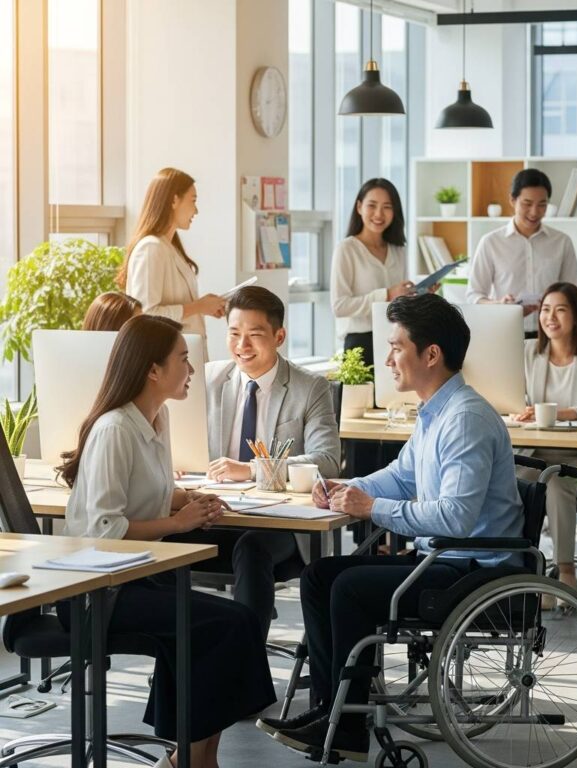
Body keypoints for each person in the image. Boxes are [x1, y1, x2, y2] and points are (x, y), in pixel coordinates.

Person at [258, 293, 525, 762]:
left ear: (431, 354)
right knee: (319, 577)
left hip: (474, 569)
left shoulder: (464, 419)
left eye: (396, 347)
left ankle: (348, 725)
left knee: (350, 588)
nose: (387, 360)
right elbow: (402, 477)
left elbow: (456, 518)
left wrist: (372, 508)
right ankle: (329, 710)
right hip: (443, 558)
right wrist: (347, 487)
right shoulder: (436, 412)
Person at [57, 314, 275, 768]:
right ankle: (190, 760)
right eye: (183, 359)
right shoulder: (115, 429)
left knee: (234, 621)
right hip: (98, 591)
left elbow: (148, 489)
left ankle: (193, 758)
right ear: (153, 370)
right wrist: (178, 523)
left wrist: (184, 498)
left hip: (138, 575)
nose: (192, 369)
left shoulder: (158, 418)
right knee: (223, 625)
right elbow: (103, 529)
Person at [192, 285, 341, 611]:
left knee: (251, 547)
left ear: (279, 336)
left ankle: (247, 643)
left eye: (254, 335)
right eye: (234, 334)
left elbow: (328, 460)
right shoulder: (208, 379)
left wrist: (251, 469)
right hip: (215, 514)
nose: (242, 346)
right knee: (160, 544)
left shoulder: (309, 387)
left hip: (280, 525)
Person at [512, 282, 577, 595]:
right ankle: (517, 568)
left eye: (560, 310)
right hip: (533, 454)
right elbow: (512, 397)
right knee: (508, 483)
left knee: (554, 483)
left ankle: (565, 572)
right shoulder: (527, 351)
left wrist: (547, 413)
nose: (550, 317)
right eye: (545, 309)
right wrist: (519, 411)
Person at [119, 167, 227, 356]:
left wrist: (204, 305)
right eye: (193, 200)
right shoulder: (151, 248)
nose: (196, 210)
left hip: (182, 355)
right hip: (166, 357)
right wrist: (198, 306)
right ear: (174, 200)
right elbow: (146, 315)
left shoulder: (169, 247)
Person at [467, 168, 577, 331]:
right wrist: (499, 305)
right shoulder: (491, 242)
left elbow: (576, 292)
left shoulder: (561, 242)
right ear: (512, 200)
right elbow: (474, 295)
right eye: (527, 204)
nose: (534, 212)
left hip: (551, 332)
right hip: (505, 330)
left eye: (542, 205)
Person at [330, 178, 413, 367]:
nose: (379, 214)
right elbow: (339, 306)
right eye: (372, 205)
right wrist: (386, 294)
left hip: (396, 341)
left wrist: (418, 295)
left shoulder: (399, 250)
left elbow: (399, 304)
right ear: (359, 207)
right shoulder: (347, 249)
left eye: (387, 207)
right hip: (360, 344)